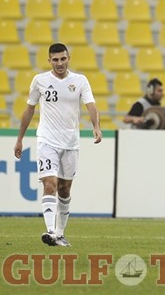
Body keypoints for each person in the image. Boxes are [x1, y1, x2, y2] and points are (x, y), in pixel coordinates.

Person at [13, 43, 102, 247]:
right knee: (49, 184)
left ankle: (60, 234)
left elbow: (91, 106)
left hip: (71, 142)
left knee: (64, 189)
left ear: (68, 57)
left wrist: (96, 126)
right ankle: (51, 231)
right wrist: (20, 138)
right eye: (55, 60)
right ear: (49, 61)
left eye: (63, 59)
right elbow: (29, 109)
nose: (59, 63)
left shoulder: (80, 81)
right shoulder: (40, 81)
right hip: (47, 140)